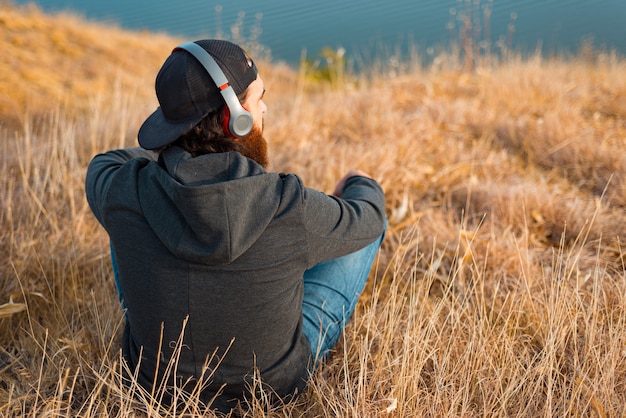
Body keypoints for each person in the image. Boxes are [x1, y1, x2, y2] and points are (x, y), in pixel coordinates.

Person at [85, 39, 386, 413]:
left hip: (154, 385)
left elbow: (106, 161)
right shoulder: (288, 205)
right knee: (361, 233)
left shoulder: (125, 187)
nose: (264, 109)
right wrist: (360, 182)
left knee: (123, 216)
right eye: (258, 100)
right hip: (270, 389)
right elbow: (369, 218)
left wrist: (176, 141)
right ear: (235, 118)